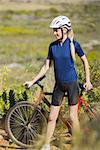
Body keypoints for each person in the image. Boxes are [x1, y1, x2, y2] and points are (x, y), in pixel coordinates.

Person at [24, 16, 93, 150]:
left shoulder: (74, 44)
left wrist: (88, 80)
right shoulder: (52, 46)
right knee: (51, 117)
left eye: (57, 30)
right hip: (59, 85)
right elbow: (46, 67)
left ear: (64, 30)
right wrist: (33, 81)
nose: (54, 33)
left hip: (72, 84)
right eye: (54, 31)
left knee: (73, 117)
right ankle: (46, 145)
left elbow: (85, 61)